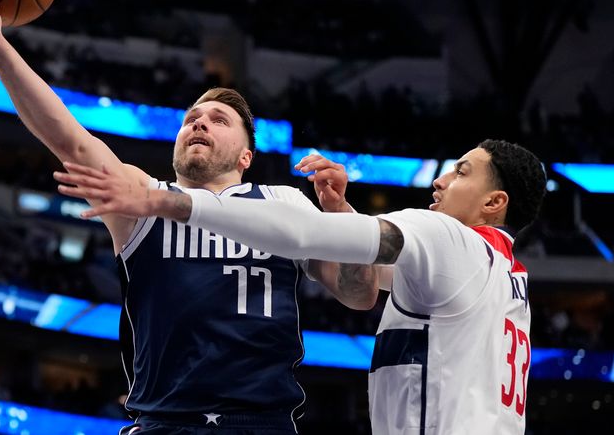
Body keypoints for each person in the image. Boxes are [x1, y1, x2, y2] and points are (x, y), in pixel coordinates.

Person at [0, 0, 383, 434]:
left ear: (246, 156)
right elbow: (67, 137)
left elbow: (359, 295)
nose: (199, 123)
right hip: (164, 423)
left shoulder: (284, 202)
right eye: (191, 119)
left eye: (219, 120)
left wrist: (341, 214)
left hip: (260, 423)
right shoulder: (142, 199)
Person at [54, 139, 547, 434]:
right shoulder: (509, 278)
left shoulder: (448, 238)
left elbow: (303, 234)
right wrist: (343, 212)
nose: (439, 182)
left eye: (461, 173)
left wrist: (173, 204)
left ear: (493, 202)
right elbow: (366, 279)